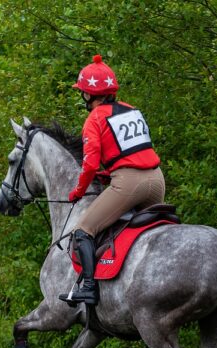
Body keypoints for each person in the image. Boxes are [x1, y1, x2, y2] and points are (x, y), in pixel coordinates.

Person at [61, 54, 165, 306]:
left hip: (129, 185)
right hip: (157, 180)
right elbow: (134, 152)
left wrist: (78, 190)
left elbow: (89, 165)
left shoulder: (94, 119)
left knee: (83, 231)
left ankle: (89, 288)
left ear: (87, 94)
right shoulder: (132, 110)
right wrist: (109, 173)